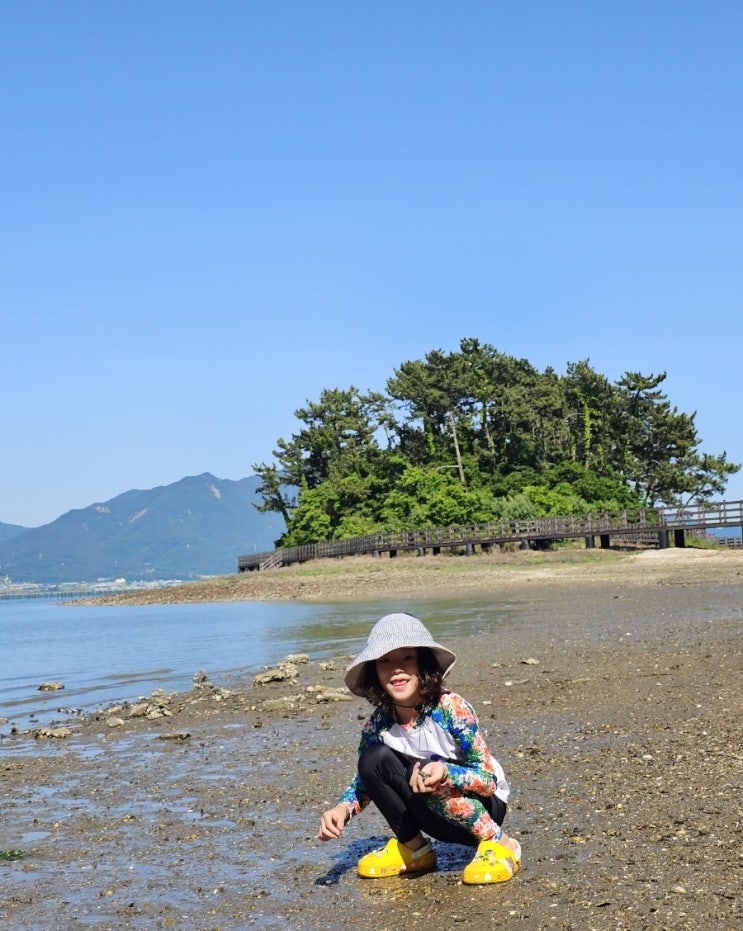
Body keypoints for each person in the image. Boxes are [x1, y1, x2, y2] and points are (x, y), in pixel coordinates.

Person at [317, 612, 522, 884]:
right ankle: (415, 849)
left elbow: (488, 782)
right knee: (372, 759)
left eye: (407, 658)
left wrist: (446, 772)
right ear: (374, 672)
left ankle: (502, 844)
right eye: (385, 661)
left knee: (425, 770)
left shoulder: (452, 709)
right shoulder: (378, 723)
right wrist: (342, 810)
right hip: (433, 814)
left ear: (424, 664)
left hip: (485, 809)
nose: (396, 669)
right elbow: (366, 781)